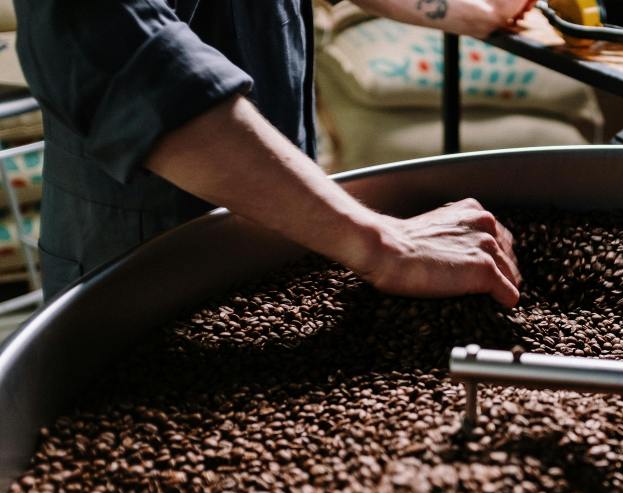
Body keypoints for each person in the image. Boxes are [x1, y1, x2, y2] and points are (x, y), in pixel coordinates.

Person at [13, 0, 525, 304]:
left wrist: (446, 6)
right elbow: (118, 48)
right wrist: (385, 243)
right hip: (136, 266)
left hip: (284, 235)